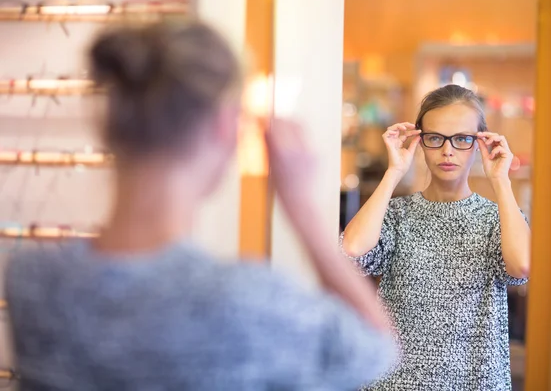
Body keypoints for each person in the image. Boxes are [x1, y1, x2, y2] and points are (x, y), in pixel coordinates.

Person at [5, 21, 396, 390]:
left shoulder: (33, 280)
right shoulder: (240, 300)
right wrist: (301, 205)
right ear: (225, 126)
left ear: (109, 127)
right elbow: (375, 350)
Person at [341, 84, 530, 390]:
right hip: (395, 382)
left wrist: (501, 181)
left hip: (474, 382)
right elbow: (352, 249)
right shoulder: (396, 214)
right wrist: (394, 172)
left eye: (462, 139)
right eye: (435, 138)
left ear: (480, 143)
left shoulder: (498, 218)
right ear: (420, 141)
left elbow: (522, 266)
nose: (448, 150)